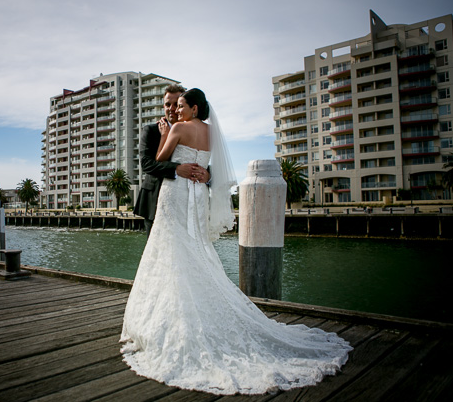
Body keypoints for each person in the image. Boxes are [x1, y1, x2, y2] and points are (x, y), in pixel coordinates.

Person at [120, 88, 352, 395]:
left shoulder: (174, 128)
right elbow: (159, 165)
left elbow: (168, 159)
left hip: (177, 196)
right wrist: (194, 170)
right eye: (171, 105)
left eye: (179, 105)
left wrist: (173, 143)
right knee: (186, 252)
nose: (175, 110)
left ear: (192, 107)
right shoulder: (209, 131)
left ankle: (173, 325)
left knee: (175, 251)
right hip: (189, 195)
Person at [134, 84, 209, 236]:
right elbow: (146, 164)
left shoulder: (200, 131)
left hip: (189, 204)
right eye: (168, 104)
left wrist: (208, 175)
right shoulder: (151, 130)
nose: (172, 109)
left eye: (177, 104)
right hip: (155, 202)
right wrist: (176, 169)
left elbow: (201, 161)